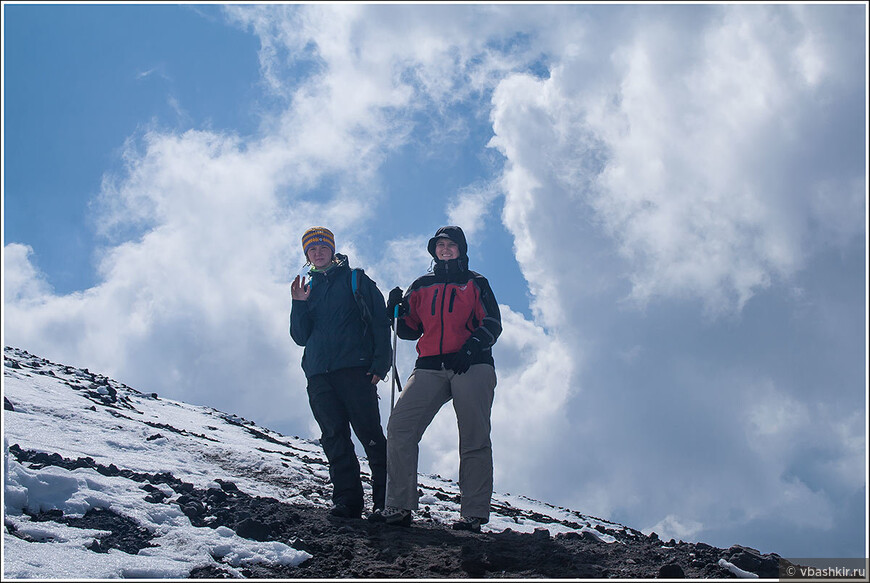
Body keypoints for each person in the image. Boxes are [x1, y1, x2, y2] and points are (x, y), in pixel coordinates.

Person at [370, 225, 502, 532]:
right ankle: (398, 506)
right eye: (440, 244)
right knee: (400, 426)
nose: (445, 249)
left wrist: (470, 349)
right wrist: (396, 312)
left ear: (461, 249)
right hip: (429, 364)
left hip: (473, 364)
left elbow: (493, 323)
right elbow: (409, 329)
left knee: (473, 436)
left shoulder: (475, 282)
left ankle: (473, 514)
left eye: (451, 244)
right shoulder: (421, 284)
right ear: (434, 249)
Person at [289, 226, 391, 519]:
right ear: (307, 254)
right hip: (319, 374)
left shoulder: (356, 279)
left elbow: (380, 323)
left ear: (332, 250)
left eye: (323, 248)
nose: (318, 253)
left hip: (356, 370)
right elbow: (300, 336)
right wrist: (298, 304)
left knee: (370, 435)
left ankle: (387, 501)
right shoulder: (309, 288)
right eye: (312, 249)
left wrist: (380, 365)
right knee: (334, 436)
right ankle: (347, 501)